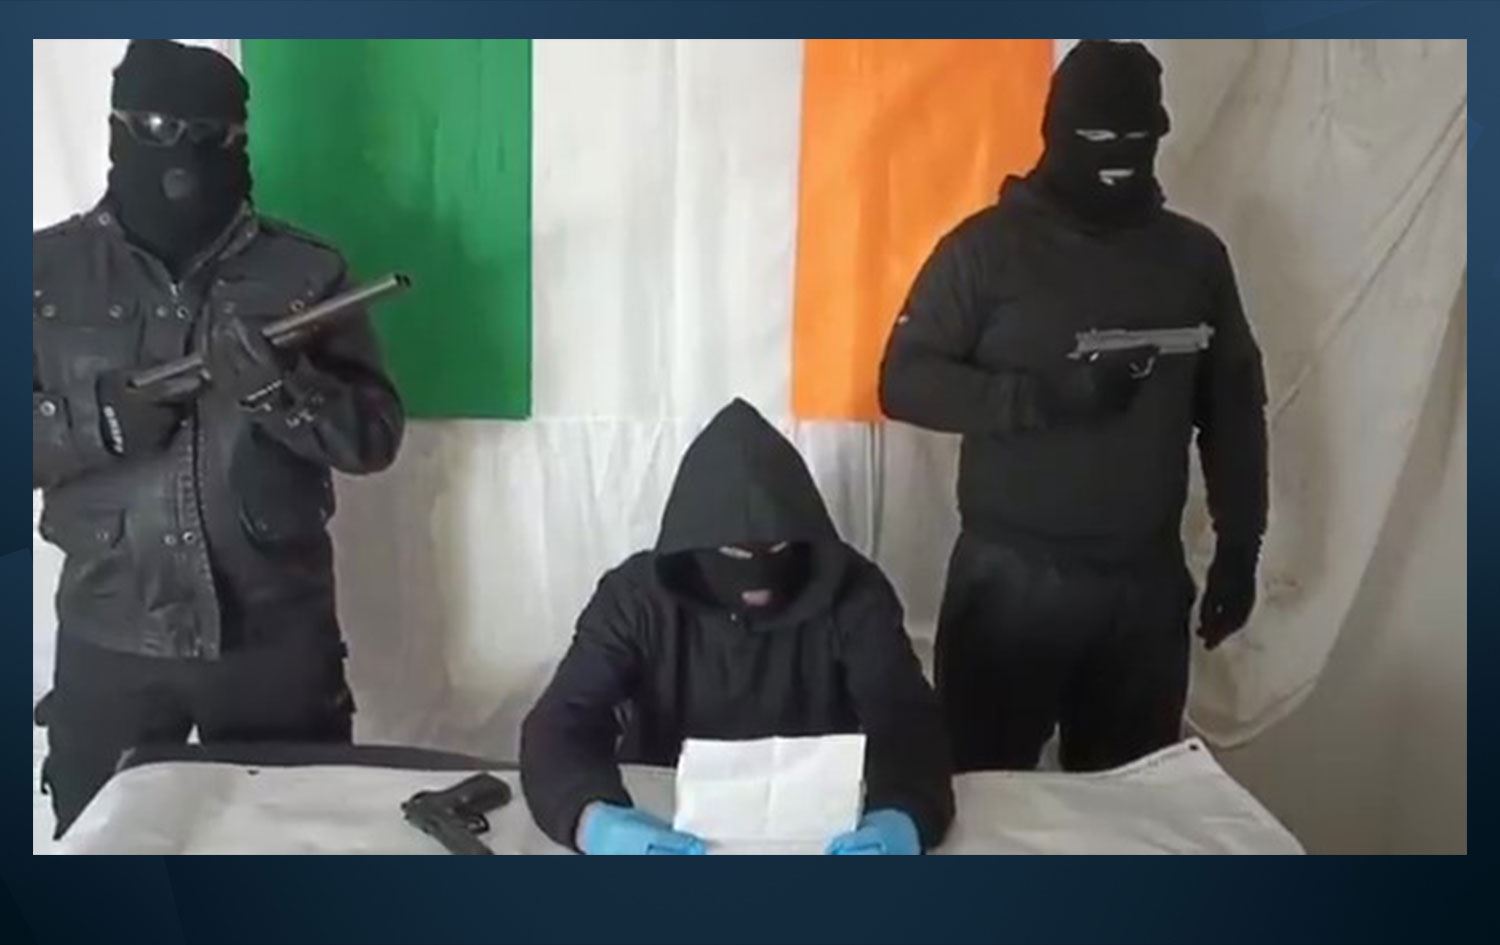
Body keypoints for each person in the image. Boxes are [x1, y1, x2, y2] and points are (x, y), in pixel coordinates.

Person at [32, 40, 404, 835]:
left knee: (296, 853)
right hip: (112, 639)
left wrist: (282, 389)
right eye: (158, 129)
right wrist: (97, 420)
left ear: (240, 141)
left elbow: (373, 439)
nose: (183, 157)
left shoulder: (305, 272)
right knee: (105, 859)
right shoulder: (41, 272)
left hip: (277, 640)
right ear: (118, 127)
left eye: (210, 137)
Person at [879, 41, 1268, 773]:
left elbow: (1234, 411)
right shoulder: (986, 250)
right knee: (983, 799)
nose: (1117, 156)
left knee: (1129, 805)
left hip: (1143, 587)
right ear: (1056, 133)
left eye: (1137, 139)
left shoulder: (1195, 258)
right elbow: (904, 382)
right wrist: (1043, 397)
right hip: (1010, 580)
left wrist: (1241, 547)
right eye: (1096, 137)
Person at [520, 398, 954, 854]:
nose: (758, 576)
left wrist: (901, 817)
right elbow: (562, 719)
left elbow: (905, 718)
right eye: (733, 554)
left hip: (818, 825)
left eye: (778, 547)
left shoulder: (853, 592)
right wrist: (595, 821)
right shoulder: (635, 598)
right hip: (664, 818)